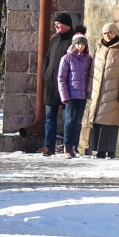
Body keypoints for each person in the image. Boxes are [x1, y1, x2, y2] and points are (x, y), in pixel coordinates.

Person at [86, 23, 119, 159]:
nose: (107, 35)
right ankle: (98, 150)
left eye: (110, 32)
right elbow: (92, 71)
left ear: (116, 33)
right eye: (105, 33)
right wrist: (90, 89)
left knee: (110, 121)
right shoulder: (100, 49)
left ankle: (109, 150)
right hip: (98, 91)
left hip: (113, 91)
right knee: (98, 121)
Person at [40, 12, 75, 156]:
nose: (56, 26)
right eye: (55, 24)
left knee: (68, 118)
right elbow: (47, 58)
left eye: (58, 23)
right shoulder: (54, 40)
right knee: (50, 117)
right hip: (51, 85)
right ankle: (49, 147)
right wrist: (46, 74)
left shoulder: (74, 41)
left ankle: (67, 147)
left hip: (66, 86)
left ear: (67, 25)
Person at [57, 33, 92, 159]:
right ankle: (66, 146)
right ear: (73, 44)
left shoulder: (88, 59)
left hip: (81, 95)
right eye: (78, 44)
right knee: (69, 121)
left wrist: (89, 92)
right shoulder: (66, 58)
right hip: (70, 95)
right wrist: (64, 95)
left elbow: (90, 76)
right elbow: (61, 78)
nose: (80, 46)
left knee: (78, 121)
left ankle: (74, 147)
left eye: (83, 44)